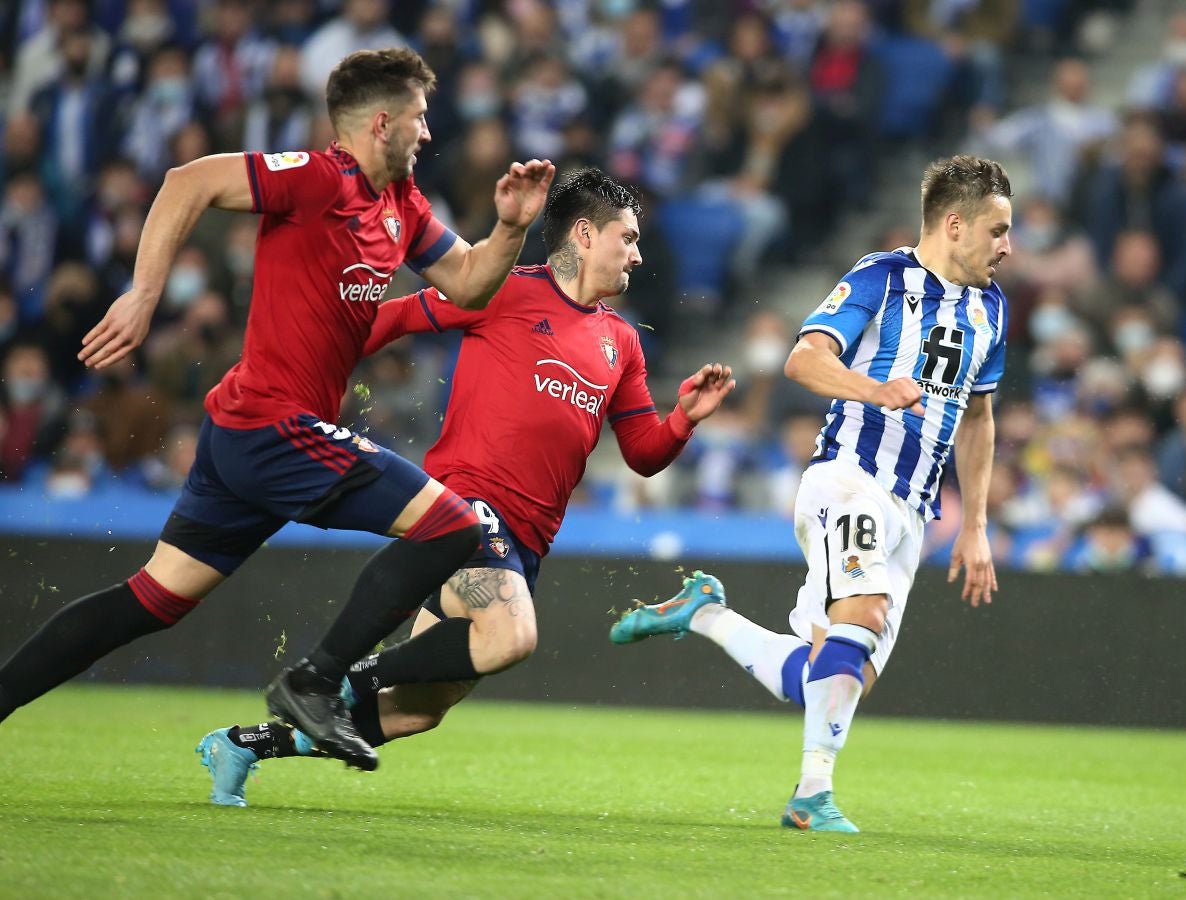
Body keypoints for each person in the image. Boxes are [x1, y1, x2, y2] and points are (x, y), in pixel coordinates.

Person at [0, 49, 553, 773]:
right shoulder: (318, 178)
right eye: (418, 118)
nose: (426, 132)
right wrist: (143, 294)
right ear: (380, 123)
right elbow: (188, 179)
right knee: (453, 525)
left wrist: (510, 228)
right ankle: (315, 680)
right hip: (271, 425)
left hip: (250, 434)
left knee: (152, 600)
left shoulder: (402, 203)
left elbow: (471, 283)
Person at [193, 168, 736, 806]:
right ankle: (336, 676)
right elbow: (391, 319)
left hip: (528, 541)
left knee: (418, 710)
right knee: (511, 637)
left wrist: (684, 419)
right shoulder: (500, 289)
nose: (638, 254)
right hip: (465, 509)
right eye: (629, 237)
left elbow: (643, 453)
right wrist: (298, 375)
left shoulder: (622, 342)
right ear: (586, 235)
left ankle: (243, 745)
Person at [609, 155, 1013, 833]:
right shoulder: (882, 277)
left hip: (912, 511)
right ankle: (812, 796)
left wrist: (974, 525)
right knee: (864, 613)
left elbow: (977, 417)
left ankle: (704, 614)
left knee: (830, 676)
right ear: (954, 224)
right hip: (849, 479)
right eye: (997, 229)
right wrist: (874, 389)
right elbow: (805, 358)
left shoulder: (991, 308)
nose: (1007, 245)